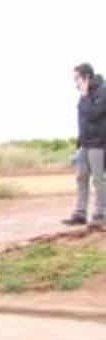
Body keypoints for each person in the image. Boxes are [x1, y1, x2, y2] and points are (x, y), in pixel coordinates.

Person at [65, 62, 106, 225]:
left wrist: (84, 95)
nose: (75, 83)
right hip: (85, 144)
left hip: (99, 144)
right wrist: (79, 143)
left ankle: (100, 213)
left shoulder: (102, 92)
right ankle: (80, 214)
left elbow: (93, 115)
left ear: (86, 77)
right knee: (81, 177)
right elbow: (82, 121)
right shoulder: (86, 94)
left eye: (77, 79)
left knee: (98, 179)